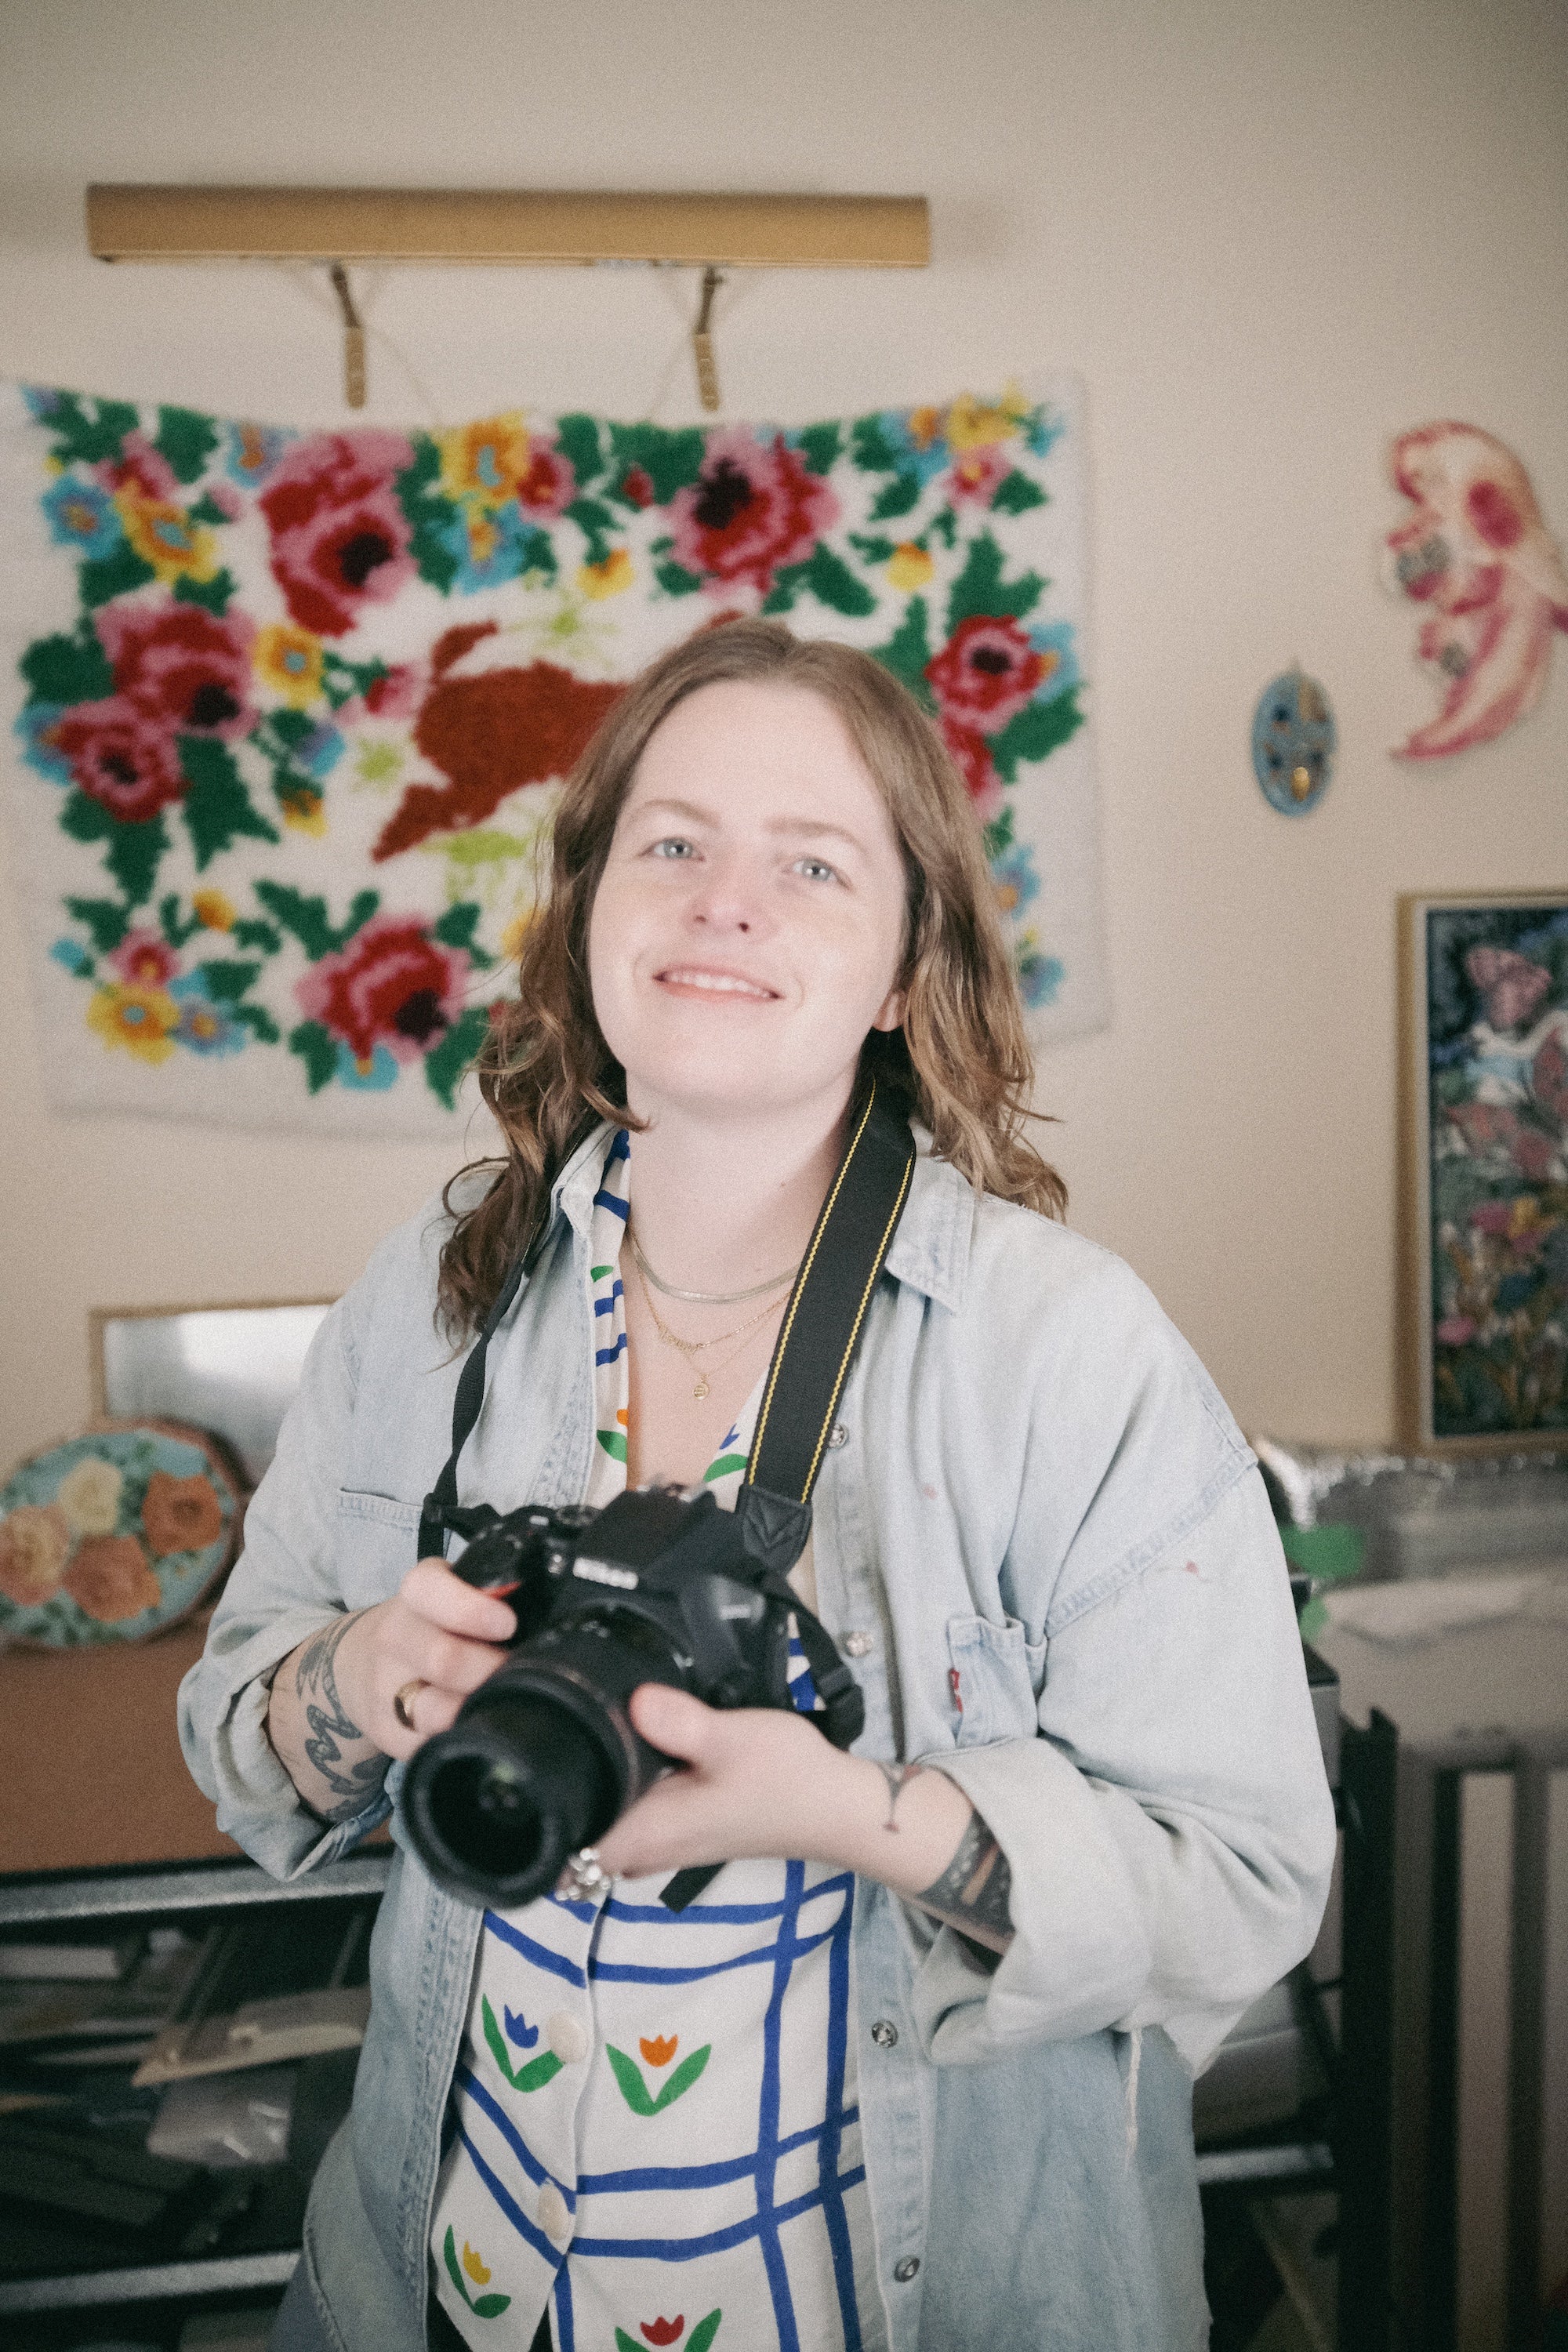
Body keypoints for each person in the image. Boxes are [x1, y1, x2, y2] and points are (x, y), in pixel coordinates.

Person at [180, 619, 1335, 2352]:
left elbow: (1242, 1881)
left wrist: (844, 1816)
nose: (726, 898)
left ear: (895, 969)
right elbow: (233, 1726)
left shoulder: (1063, 1351)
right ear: (587, 913)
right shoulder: (427, 1308)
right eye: (673, 843)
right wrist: (349, 1680)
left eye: (810, 861)